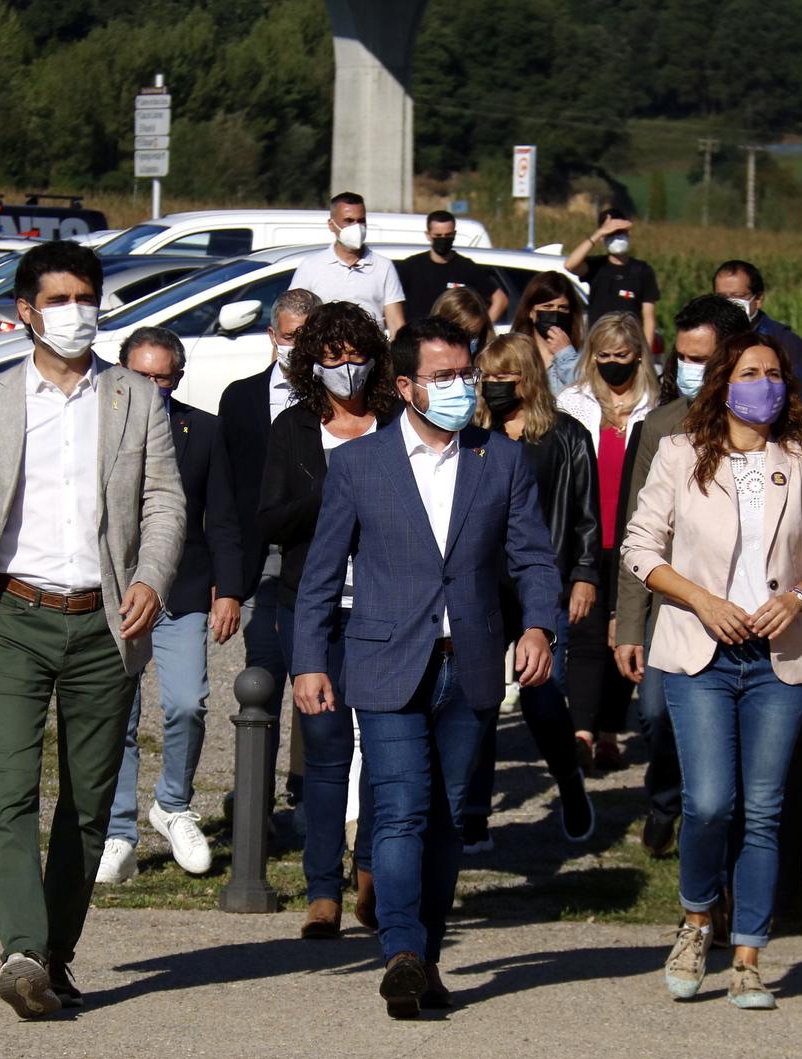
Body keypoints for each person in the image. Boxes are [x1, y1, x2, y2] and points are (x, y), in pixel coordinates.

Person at [0, 240, 185, 1021]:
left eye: (87, 296)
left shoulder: (137, 398)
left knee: (90, 800)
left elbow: (166, 501)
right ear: (28, 311)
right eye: (60, 299)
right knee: (10, 788)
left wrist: (150, 578)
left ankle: (54, 953)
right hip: (12, 618)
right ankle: (22, 951)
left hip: (104, 621)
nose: (78, 312)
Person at [291, 317, 560, 1019]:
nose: (459, 386)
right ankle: (402, 951)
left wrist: (538, 625)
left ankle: (426, 954)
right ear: (405, 385)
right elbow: (321, 574)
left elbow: (532, 556)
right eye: (442, 376)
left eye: (465, 373)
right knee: (402, 808)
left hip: (468, 664)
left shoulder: (499, 460)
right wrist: (308, 660)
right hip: (382, 660)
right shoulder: (358, 465)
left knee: (444, 818)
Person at [622, 331, 802, 1010]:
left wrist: (799, 596)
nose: (766, 384)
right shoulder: (679, 453)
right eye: (751, 372)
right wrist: (699, 599)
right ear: (724, 382)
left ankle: (749, 951)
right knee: (710, 801)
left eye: (775, 374)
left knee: (764, 810)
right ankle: (697, 919)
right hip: (702, 650)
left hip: (777, 658)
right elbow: (641, 546)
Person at [258, 301, 399, 939]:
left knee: (385, 747)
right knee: (325, 749)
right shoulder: (293, 428)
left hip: (387, 609)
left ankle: (372, 872)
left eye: (356, 353)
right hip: (310, 607)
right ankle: (322, 889)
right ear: (313, 361)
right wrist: (340, 487)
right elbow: (272, 519)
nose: (347, 367)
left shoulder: (397, 421)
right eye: (333, 356)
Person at [98, 327, 247, 883]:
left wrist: (229, 589)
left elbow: (225, 517)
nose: (153, 386)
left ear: (178, 378)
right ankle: (118, 833)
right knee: (118, 713)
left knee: (187, 702)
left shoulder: (204, 432)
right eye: (143, 375)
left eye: (164, 377)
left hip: (181, 591)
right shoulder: (95, 428)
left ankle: (174, 805)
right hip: (113, 592)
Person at [613, 295, 753, 857]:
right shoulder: (661, 427)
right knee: (654, 712)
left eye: (703, 358)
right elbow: (637, 532)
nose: (690, 369)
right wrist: (628, 626)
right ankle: (668, 797)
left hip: (750, 605)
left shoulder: (785, 424)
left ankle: (719, 828)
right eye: (683, 358)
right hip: (674, 601)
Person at [461, 331, 600, 850]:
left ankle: (568, 781)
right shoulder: (470, 436)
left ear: (529, 378)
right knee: (477, 698)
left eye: (506, 377)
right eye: (488, 378)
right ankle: (473, 811)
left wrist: (584, 573)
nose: (495, 387)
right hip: (480, 586)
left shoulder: (565, 436)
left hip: (542, 581)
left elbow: (586, 514)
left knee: (541, 694)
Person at [218, 288, 320, 833]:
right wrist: (229, 581)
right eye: (289, 337)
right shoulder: (241, 399)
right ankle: (256, 791)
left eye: (309, 338)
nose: (297, 348)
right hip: (262, 560)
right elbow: (229, 494)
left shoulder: (341, 403)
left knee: (314, 665)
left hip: (315, 553)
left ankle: (307, 791)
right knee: (264, 671)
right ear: (272, 337)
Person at [555, 312, 658, 775]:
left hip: (637, 536)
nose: (613, 365)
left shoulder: (657, 405)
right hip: (587, 535)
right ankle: (580, 732)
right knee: (586, 633)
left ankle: (611, 732)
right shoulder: (572, 402)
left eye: (622, 356)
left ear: (638, 355)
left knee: (626, 632)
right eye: (604, 356)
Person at [711, 259, 802, 455]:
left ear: (757, 299)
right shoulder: (707, 340)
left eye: (737, 296)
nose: (729, 305)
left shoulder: (786, 344)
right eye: (722, 298)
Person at [287, 191, 406, 333]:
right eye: (348, 221)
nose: (357, 227)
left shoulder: (383, 266)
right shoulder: (311, 266)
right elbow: (293, 316)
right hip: (324, 352)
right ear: (332, 225)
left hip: (369, 353)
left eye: (361, 221)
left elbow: (395, 323)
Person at [564, 207, 660, 354]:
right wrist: (599, 233)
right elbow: (570, 265)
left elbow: (649, 317)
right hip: (598, 346)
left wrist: (645, 352)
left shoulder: (642, 270)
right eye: (611, 234)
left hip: (630, 347)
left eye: (620, 233)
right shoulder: (596, 266)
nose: (616, 238)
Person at [396, 209, 509, 326]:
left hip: (455, 339)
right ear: (428, 235)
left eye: (448, 235)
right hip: (418, 338)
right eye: (438, 236)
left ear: (454, 235)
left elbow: (500, 300)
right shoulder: (411, 266)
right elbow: (392, 301)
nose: (443, 239)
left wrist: (482, 329)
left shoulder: (466, 267)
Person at [513, 270, 583, 392]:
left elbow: (585, 391)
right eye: (547, 306)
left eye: (563, 308)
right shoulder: (513, 352)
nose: (555, 313)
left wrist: (565, 353)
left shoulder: (581, 355)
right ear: (531, 311)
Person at [430, 285, 495, 361]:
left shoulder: (483, 364)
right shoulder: (423, 360)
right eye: (456, 335)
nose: (464, 343)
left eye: (472, 336)